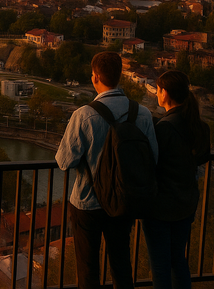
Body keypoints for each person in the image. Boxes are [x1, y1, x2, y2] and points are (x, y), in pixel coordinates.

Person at [56, 51, 158, 289]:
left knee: (88, 269)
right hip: (125, 201)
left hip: (87, 202)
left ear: (95, 77)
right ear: (120, 77)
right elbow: (153, 156)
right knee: (121, 265)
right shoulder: (142, 114)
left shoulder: (83, 115)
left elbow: (63, 161)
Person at [142, 70, 210, 289]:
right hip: (186, 203)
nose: (157, 93)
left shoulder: (165, 128)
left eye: (159, 89)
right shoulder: (199, 125)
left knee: (160, 266)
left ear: (166, 93)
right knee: (178, 260)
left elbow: (153, 164)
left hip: (162, 207)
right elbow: (202, 157)